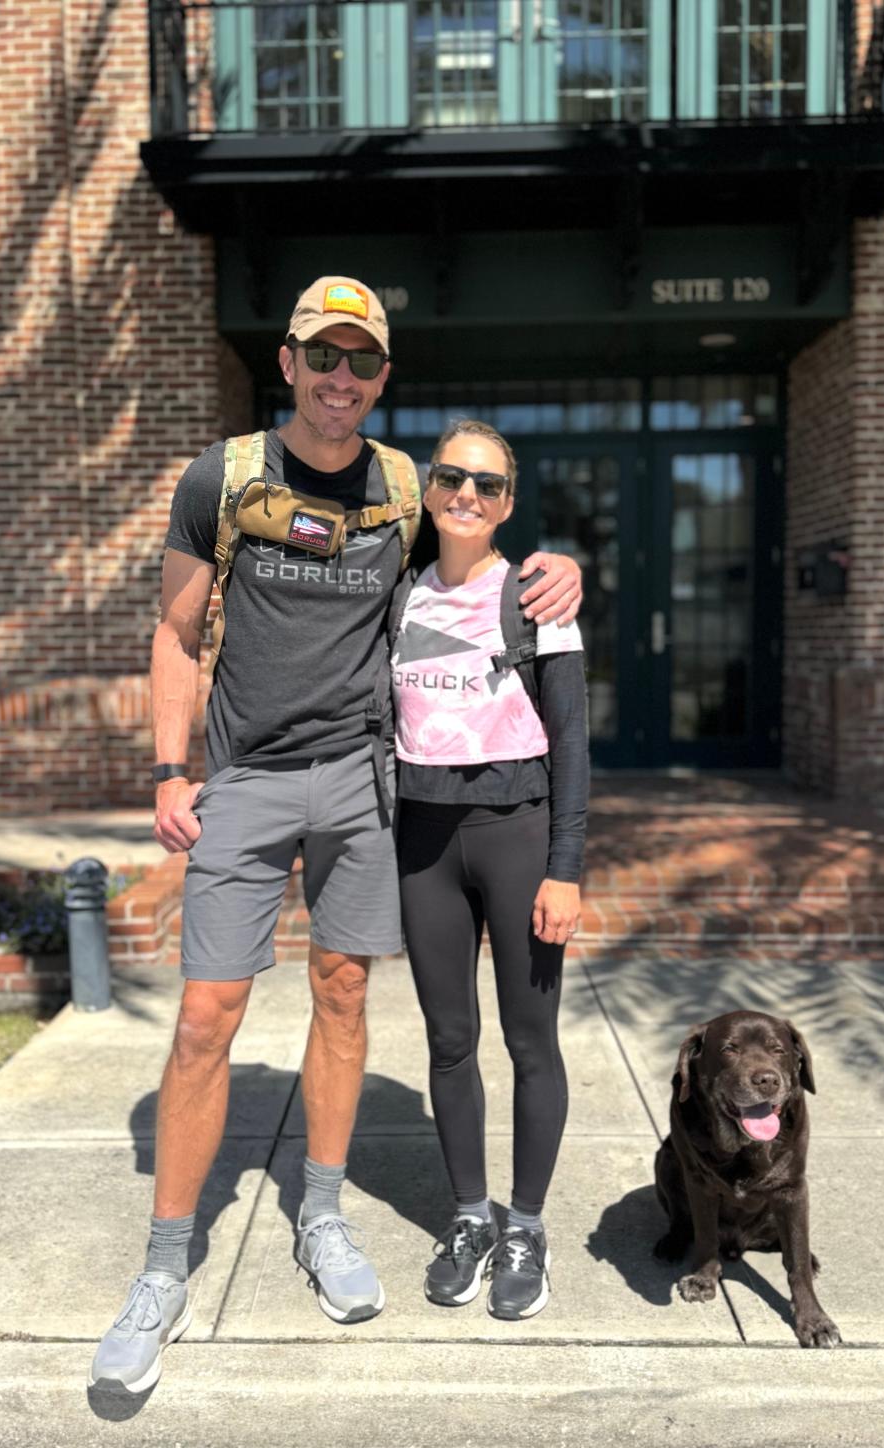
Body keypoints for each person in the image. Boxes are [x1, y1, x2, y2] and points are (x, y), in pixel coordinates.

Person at [89, 278, 582, 1393]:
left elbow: (467, 573)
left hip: (366, 783)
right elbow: (175, 633)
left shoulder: (407, 486)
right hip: (249, 782)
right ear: (289, 361)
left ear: (382, 377)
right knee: (210, 1012)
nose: (340, 378)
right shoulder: (224, 476)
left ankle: (322, 1214)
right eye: (324, 356)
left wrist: (560, 569)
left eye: (362, 362)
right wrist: (171, 769)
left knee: (346, 993)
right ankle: (165, 1265)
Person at [393, 419, 588, 1321]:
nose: (468, 495)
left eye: (489, 484)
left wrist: (566, 866)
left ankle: (528, 1228)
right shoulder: (396, 594)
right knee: (447, 1040)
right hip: (424, 845)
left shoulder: (540, 597)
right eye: (452, 478)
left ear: (509, 502)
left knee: (529, 1042)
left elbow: (574, 744)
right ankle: (471, 1216)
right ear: (430, 489)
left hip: (518, 834)